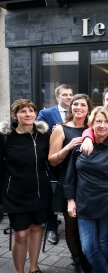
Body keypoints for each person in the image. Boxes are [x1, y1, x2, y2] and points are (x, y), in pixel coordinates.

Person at [64, 106, 108, 273]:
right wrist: (70, 201)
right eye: (98, 121)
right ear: (91, 123)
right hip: (84, 204)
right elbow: (70, 177)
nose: (102, 125)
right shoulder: (80, 146)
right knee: (89, 248)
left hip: (106, 203)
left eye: (106, 122)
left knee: (103, 243)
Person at [0, 99, 52, 273]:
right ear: (15, 115)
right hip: (15, 194)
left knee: (37, 228)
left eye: (31, 110)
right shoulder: (6, 137)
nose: (28, 114)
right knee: (21, 235)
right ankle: (19, 271)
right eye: (23, 111)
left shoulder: (44, 135)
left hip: (40, 191)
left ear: (36, 114)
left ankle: (34, 267)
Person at [48, 94, 93, 272]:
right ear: (70, 107)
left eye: (83, 104)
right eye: (75, 104)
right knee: (72, 225)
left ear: (88, 109)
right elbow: (52, 160)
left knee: (87, 225)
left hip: (89, 185)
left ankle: (87, 256)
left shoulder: (92, 128)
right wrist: (68, 146)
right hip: (67, 182)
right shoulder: (60, 129)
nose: (78, 107)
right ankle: (77, 261)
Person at [37, 83, 74, 245]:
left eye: (70, 94)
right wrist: (50, 130)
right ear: (57, 97)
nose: (68, 97)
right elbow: (37, 130)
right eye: (64, 94)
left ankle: (72, 226)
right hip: (52, 164)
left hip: (71, 164)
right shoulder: (46, 113)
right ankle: (52, 228)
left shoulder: (77, 111)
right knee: (52, 196)